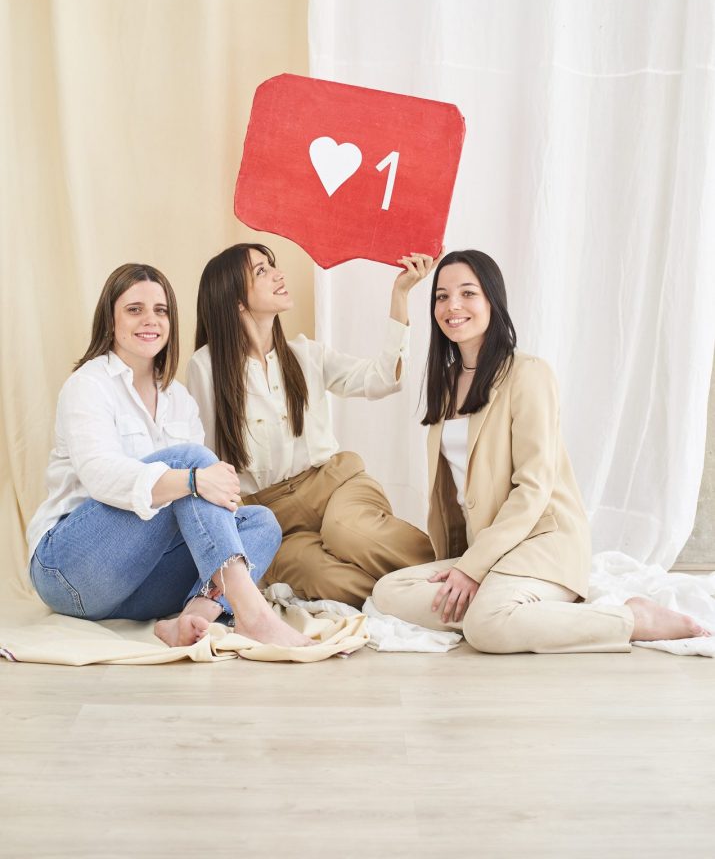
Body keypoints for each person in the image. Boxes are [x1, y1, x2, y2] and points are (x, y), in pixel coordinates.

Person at [372, 249, 709, 653]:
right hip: (489, 550)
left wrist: (472, 569)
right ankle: (514, 612)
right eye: (442, 296)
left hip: (542, 542)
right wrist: (466, 565)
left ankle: (633, 619)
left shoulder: (527, 373)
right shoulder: (446, 382)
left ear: (493, 301)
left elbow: (532, 489)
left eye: (467, 293)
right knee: (389, 591)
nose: (453, 306)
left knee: (485, 628)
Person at [27, 263, 311, 649]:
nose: (151, 320)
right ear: (110, 320)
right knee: (189, 464)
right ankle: (254, 615)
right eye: (135, 309)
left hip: (139, 587)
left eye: (160, 311)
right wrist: (192, 479)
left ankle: (194, 617)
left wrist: (200, 486)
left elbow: (200, 504)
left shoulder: (179, 399)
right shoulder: (88, 385)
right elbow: (101, 476)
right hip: (71, 572)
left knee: (261, 522)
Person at [186, 243, 437, 607]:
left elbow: (384, 378)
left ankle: (454, 572)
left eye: (272, 265)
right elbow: (204, 459)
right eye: (261, 271)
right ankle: (418, 599)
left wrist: (401, 293)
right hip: (273, 517)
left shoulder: (306, 355)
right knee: (326, 578)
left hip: (333, 484)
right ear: (235, 300)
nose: (278, 274)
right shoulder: (206, 368)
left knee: (348, 532)